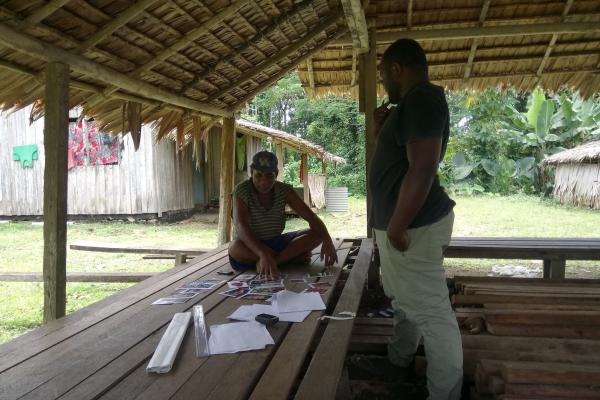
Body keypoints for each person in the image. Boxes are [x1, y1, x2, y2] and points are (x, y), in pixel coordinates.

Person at [368, 38, 462, 399]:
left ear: (396, 69)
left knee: (432, 314)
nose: (383, 83)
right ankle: (399, 361)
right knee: (410, 302)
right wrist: (382, 134)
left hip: (412, 226)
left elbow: (422, 168)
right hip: (409, 224)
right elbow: (402, 162)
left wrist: (396, 225)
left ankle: (444, 393)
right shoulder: (411, 104)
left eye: (382, 74)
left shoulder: (421, 98)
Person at [228, 150, 338, 279]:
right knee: (234, 247)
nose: (264, 182)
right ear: (251, 173)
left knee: (317, 234)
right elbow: (241, 226)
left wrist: (327, 239)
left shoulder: (284, 190)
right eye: (258, 176)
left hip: (276, 242)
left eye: (269, 176)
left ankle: (271, 263)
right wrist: (262, 253)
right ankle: (283, 260)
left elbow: (311, 217)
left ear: (277, 174)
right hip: (249, 248)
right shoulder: (241, 190)